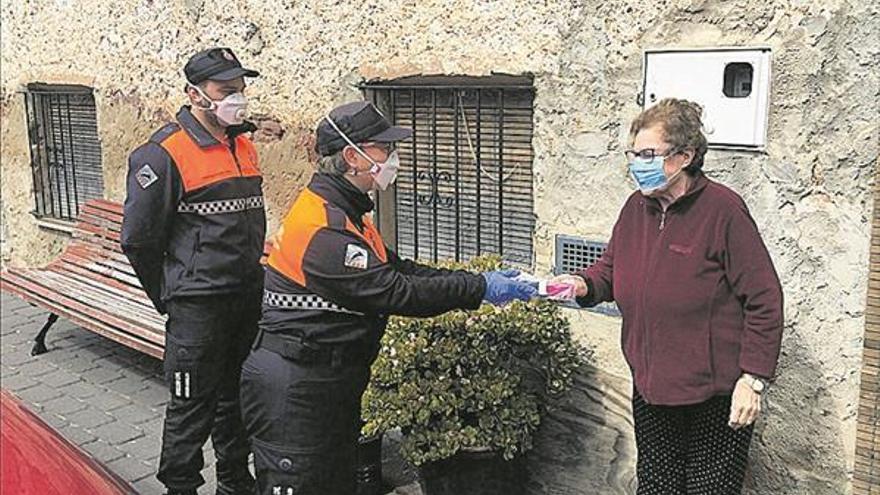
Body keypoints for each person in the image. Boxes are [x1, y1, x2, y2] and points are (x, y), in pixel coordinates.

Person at [240, 101, 536, 495]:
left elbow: (401, 269)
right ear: (352, 156)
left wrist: (475, 280)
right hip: (295, 391)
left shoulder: (346, 215)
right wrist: (481, 289)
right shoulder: (323, 230)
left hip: (324, 383)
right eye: (383, 148)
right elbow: (396, 291)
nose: (393, 158)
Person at [554, 98, 784, 494]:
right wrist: (581, 284)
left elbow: (764, 298)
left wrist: (753, 379)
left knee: (708, 490)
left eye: (648, 154)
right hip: (652, 385)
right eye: (633, 154)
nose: (637, 164)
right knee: (657, 487)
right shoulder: (635, 209)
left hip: (712, 396)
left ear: (684, 156)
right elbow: (610, 269)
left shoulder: (723, 210)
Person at [121, 47, 265, 495]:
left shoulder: (241, 143)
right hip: (198, 307)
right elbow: (138, 240)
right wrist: (171, 295)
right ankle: (180, 486)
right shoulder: (162, 153)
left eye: (240, 90)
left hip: (244, 298)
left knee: (236, 400)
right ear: (195, 93)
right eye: (226, 91)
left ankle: (235, 481)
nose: (236, 99)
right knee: (189, 407)